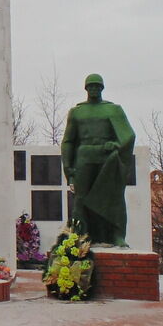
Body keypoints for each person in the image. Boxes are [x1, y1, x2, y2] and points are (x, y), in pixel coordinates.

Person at [61, 74, 136, 247]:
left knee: (115, 198)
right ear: (86, 89)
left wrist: (116, 144)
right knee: (80, 199)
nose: (94, 89)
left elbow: (128, 135)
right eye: (91, 86)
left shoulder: (113, 109)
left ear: (102, 88)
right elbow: (68, 141)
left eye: (97, 86)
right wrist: (68, 167)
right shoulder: (77, 112)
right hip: (84, 157)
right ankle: (78, 236)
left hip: (106, 157)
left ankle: (117, 235)